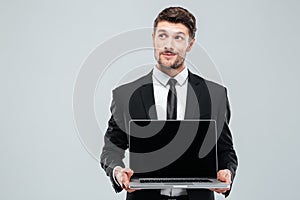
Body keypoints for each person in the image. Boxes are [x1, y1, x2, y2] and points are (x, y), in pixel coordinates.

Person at [100, 6, 238, 200]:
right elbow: (110, 151)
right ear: (153, 39)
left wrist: (226, 171)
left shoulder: (215, 94)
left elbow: (225, 150)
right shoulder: (125, 94)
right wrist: (117, 172)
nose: (168, 45)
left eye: (178, 37)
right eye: (162, 36)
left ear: (190, 44)